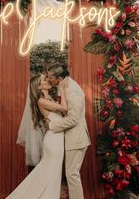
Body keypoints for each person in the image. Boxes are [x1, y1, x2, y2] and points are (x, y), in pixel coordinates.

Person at [6, 74, 68, 199]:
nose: (48, 80)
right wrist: (62, 89)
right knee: (51, 173)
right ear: (39, 86)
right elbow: (64, 108)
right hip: (53, 141)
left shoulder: (50, 98)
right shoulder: (42, 101)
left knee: (50, 174)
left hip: (56, 139)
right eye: (45, 79)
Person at [45, 63, 91, 199]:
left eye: (50, 78)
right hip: (71, 138)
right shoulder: (64, 87)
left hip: (76, 139)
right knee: (71, 174)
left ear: (59, 78)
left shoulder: (72, 90)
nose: (48, 80)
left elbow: (73, 119)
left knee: (72, 174)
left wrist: (52, 126)